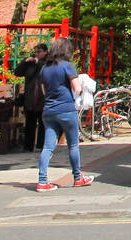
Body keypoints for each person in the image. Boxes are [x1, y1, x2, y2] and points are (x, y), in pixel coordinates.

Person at [36, 38, 94, 192]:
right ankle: (77, 178)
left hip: (48, 110)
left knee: (47, 147)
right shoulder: (67, 66)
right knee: (73, 145)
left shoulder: (44, 68)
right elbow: (76, 88)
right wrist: (82, 85)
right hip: (66, 109)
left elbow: (43, 91)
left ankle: (42, 181)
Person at [14, 43, 48, 154]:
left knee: (43, 123)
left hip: (42, 98)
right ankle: (28, 146)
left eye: (39, 52)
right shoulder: (29, 64)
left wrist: (39, 63)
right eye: (35, 52)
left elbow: (47, 70)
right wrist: (25, 62)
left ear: (45, 52)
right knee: (30, 123)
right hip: (30, 97)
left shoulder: (47, 63)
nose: (36, 54)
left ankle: (41, 145)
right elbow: (17, 72)